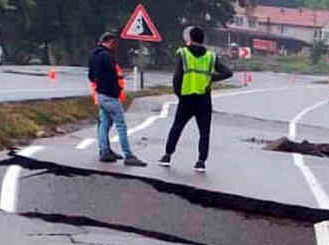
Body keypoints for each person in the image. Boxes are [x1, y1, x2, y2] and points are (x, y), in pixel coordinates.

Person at [158, 26, 233, 172]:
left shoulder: (183, 53)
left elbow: (177, 77)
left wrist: (179, 94)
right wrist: (211, 78)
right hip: (204, 100)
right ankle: (201, 162)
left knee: (177, 127)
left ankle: (167, 156)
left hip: (186, 98)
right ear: (203, 39)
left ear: (190, 38)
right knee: (204, 132)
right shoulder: (211, 56)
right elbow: (228, 72)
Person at [88, 32, 145, 167]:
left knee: (104, 124)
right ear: (110, 42)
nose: (115, 46)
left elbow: (91, 76)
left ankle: (105, 151)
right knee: (121, 125)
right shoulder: (107, 56)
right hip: (110, 96)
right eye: (114, 44)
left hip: (100, 94)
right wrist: (116, 89)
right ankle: (128, 155)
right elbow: (112, 76)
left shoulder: (93, 55)